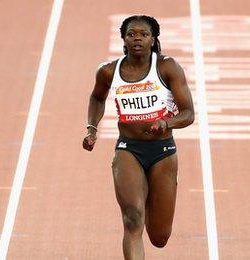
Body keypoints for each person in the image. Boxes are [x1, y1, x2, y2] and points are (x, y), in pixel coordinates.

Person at [82, 15, 194, 260]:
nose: (137, 39)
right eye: (131, 34)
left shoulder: (167, 67)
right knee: (132, 219)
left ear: (153, 39)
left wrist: (167, 122)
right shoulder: (109, 71)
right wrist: (92, 128)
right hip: (128, 149)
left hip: (163, 152)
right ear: (123, 38)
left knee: (159, 237)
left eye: (143, 34)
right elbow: (97, 97)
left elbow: (188, 113)